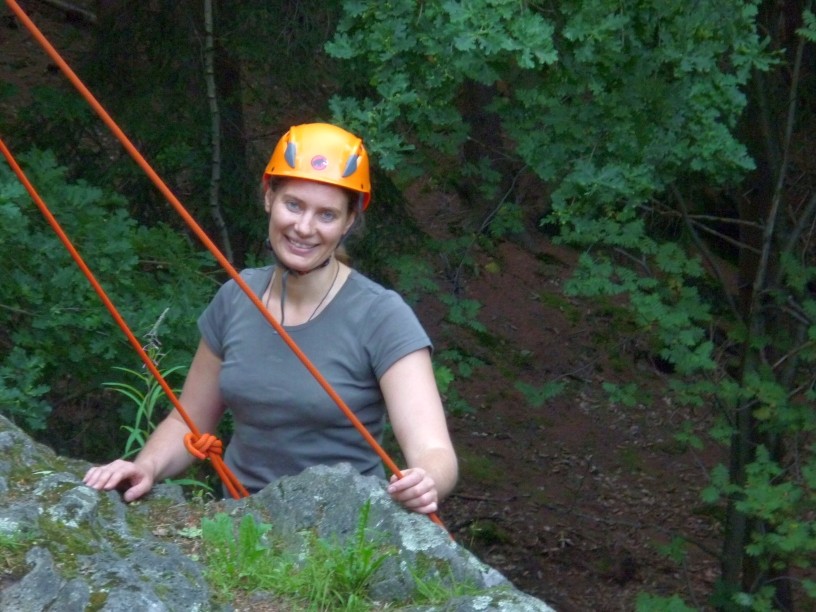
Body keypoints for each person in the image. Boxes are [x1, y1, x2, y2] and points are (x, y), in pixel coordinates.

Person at [83, 122, 458, 515]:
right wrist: (145, 467)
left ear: (349, 222)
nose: (304, 227)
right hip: (241, 530)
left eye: (326, 215)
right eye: (293, 205)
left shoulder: (382, 316)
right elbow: (188, 421)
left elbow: (434, 451)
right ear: (269, 198)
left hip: (343, 533)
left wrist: (425, 480)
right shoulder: (237, 298)